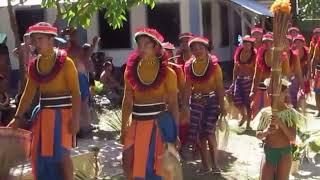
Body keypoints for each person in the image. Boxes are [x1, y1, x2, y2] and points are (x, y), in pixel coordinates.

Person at [8, 22, 80, 180]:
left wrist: (76, 119)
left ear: (51, 39)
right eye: (34, 40)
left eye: (40, 39)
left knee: (62, 155)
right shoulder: (35, 65)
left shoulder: (66, 63)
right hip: (43, 116)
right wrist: (17, 117)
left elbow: (76, 93)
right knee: (39, 155)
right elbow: (28, 93)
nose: (35, 43)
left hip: (63, 116)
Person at [121, 28, 180, 180]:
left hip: (159, 126)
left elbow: (173, 104)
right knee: (128, 161)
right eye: (139, 44)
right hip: (137, 123)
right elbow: (127, 101)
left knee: (155, 168)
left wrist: (175, 133)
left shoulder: (168, 73)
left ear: (156, 47)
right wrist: (123, 128)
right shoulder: (130, 71)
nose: (141, 48)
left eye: (146, 44)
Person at [184, 36, 226, 174]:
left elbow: (220, 87)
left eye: (201, 47)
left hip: (212, 102)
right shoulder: (189, 67)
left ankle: (215, 165)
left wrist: (222, 105)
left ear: (206, 49)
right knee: (200, 135)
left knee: (209, 133)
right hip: (196, 103)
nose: (198, 50)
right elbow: (187, 87)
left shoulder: (215, 66)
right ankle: (205, 166)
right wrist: (185, 106)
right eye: (194, 48)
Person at [255, 78, 304, 180]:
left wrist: (281, 123)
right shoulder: (265, 113)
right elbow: (258, 135)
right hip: (269, 152)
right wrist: (266, 132)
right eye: (270, 93)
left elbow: (292, 137)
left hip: (284, 154)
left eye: (276, 93)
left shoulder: (290, 113)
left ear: (285, 93)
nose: (272, 96)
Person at [250, 34, 290, 117]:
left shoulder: (282, 55)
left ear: (274, 43)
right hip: (262, 87)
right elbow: (256, 75)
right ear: (262, 44)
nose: (268, 44)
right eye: (265, 42)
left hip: (277, 87)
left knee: (275, 111)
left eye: (270, 42)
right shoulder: (259, 56)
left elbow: (286, 74)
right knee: (256, 109)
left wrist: (286, 92)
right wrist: (252, 91)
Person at [230, 35, 257, 130]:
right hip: (239, 79)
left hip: (249, 80)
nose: (246, 45)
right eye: (244, 43)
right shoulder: (238, 53)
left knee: (248, 102)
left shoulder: (255, 55)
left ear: (251, 45)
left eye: (248, 43)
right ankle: (243, 115)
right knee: (236, 98)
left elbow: (257, 71)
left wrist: (255, 83)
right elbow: (235, 68)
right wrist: (233, 82)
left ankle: (248, 124)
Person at [283, 35, 303, 109]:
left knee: (292, 103)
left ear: (290, 45)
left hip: (292, 82)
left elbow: (298, 71)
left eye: (286, 43)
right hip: (280, 82)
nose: (284, 45)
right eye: (283, 43)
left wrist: (302, 86)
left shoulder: (294, 56)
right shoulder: (277, 55)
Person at [312, 35, 320, 116]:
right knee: (317, 92)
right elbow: (314, 59)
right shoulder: (318, 45)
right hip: (319, 71)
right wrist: (312, 72)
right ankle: (318, 109)